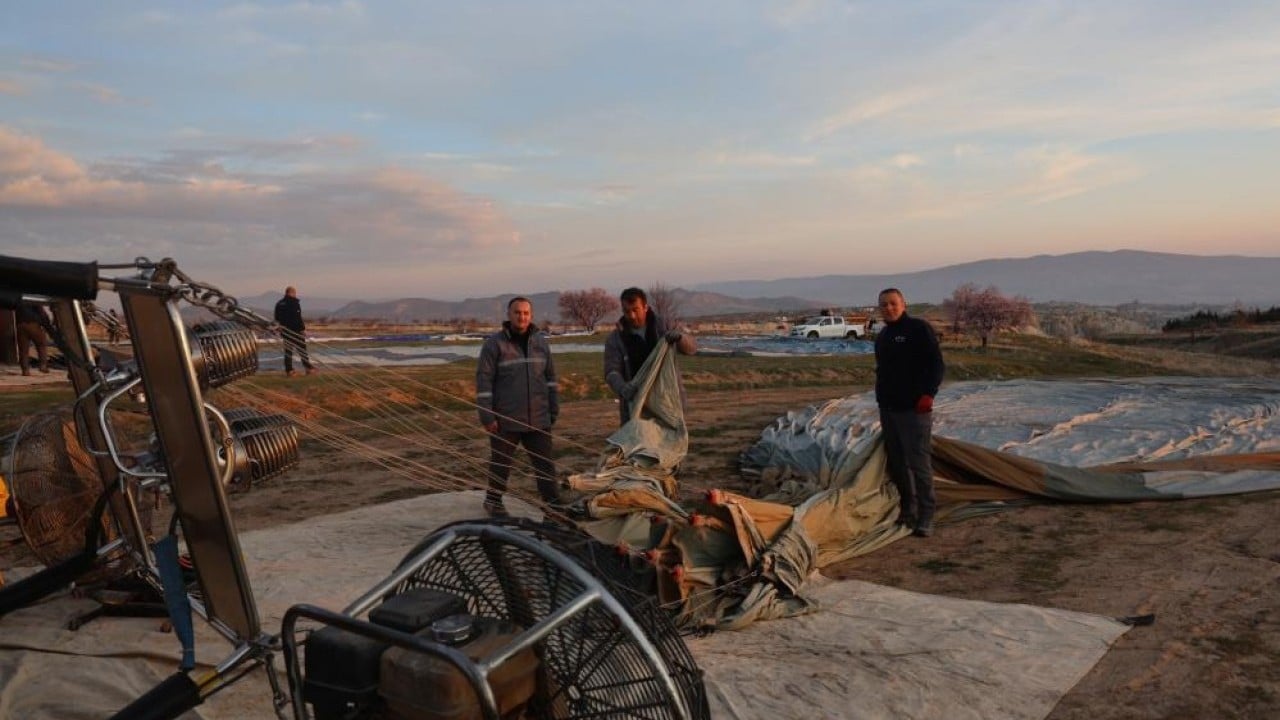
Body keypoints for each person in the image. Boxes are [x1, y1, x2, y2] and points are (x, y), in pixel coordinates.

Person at [475, 296, 561, 516]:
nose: (521, 317)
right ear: (508, 315)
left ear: (531, 316)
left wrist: (553, 408)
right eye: (517, 312)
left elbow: (551, 378)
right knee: (501, 463)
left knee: (545, 465)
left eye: (525, 313)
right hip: (506, 419)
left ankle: (554, 506)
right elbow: (484, 381)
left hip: (538, 418)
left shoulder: (541, 343)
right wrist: (487, 415)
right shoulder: (494, 345)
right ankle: (493, 502)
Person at [874, 287, 945, 538]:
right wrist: (882, 399)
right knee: (897, 463)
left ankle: (927, 514)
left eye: (893, 303)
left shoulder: (918, 329)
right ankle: (908, 510)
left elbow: (936, 364)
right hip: (889, 409)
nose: (888, 308)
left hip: (914, 409)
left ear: (904, 304)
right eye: (884, 304)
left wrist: (928, 394)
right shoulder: (883, 336)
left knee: (918, 462)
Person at [603, 287, 697, 426]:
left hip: (668, 402)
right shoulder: (616, 339)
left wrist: (680, 338)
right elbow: (611, 371)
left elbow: (692, 349)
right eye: (627, 311)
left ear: (645, 307)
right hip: (636, 405)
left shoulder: (665, 326)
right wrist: (622, 388)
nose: (632, 316)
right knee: (639, 439)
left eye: (635, 310)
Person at [273, 286, 315, 377]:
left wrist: (280, 327)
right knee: (302, 349)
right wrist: (302, 329)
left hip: (285, 330)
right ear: (292, 293)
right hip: (296, 330)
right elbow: (297, 317)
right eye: (295, 293)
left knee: (288, 351)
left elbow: (276, 318)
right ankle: (308, 368)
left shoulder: (279, 303)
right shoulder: (294, 303)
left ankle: (289, 371)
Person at [14, 302, 51, 376]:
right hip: (33, 323)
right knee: (41, 345)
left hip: (20, 325)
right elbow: (41, 312)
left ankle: (25, 370)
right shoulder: (32, 299)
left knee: (23, 350)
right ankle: (43, 366)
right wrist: (47, 325)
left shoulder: (18, 300)